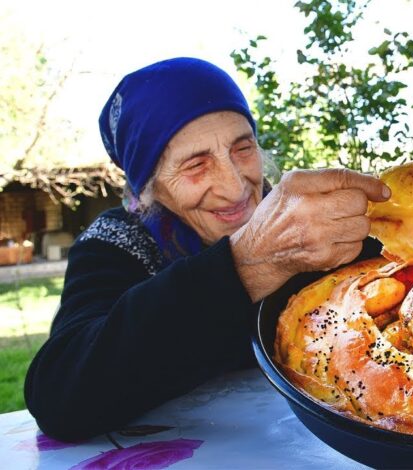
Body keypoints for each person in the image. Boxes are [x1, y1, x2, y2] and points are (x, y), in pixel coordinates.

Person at [24, 57, 390, 441]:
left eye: (243, 148)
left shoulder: (307, 221)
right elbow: (61, 397)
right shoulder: (117, 243)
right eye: (196, 165)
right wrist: (246, 265)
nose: (235, 187)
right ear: (150, 187)